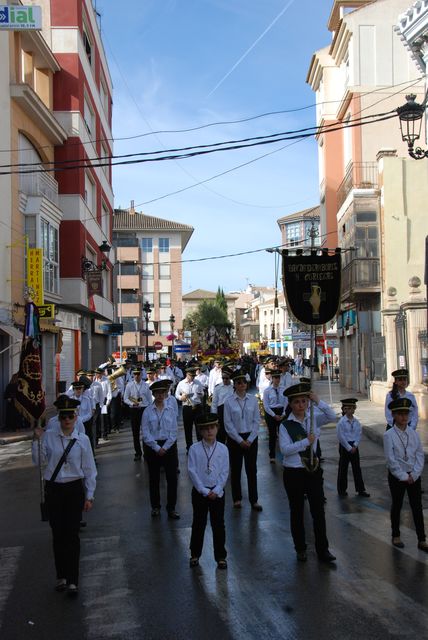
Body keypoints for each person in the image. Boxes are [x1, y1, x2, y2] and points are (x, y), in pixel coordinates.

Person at [32, 395, 96, 595]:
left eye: (70, 416)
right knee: (58, 534)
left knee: (72, 534)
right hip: (54, 490)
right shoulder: (49, 436)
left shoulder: (82, 439)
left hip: (74, 489)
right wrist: (37, 439)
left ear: (76, 417)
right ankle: (61, 576)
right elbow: (38, 461)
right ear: (58, 418)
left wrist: (90, 495)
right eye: (63, 417)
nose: (67, 420)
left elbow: (89, 469)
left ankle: (72, 580)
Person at [279, 382, 336, 563]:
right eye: (296, 402)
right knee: (297, 511)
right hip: (294, 472)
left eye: (304, 401)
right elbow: (285, 450)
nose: (301, 405)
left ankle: (323, 549)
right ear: (291, 404)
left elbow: (332, 416)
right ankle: (300, 548)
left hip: (313, 470)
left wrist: (317, 401)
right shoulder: (286, 425)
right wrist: (306, 442)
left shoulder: (314, 418)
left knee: (318, 511)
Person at [383, 397, 428, 551]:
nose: (404, 417)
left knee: (417, 506)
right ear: (394, 415)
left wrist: (414, 474)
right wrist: (403, 476)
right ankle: (396, 535)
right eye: (400, 414)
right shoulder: (388, 435)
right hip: (397, 476)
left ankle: (422, 539)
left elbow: (419, 455)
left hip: (413, 475)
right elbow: (391, 459)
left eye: (406, 414)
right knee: (397, 504)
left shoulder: (413, 434)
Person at [188, 413, 229, 569]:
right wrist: (203, 490)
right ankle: (195, 554)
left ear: (217, 428)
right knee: (199, 523)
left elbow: (225, 471)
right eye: (205, 429)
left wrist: (218, 489)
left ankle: (220, 556)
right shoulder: (194, 448)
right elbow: (192, 471)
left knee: (218, 524)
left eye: (212, 427)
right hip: (200, 492)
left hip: (217, 492)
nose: (209, 432)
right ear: (200, 431)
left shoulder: (223, 449)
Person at [223, 371, 262, 511]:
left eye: (244, 382)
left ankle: (254, 500)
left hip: (251, 438)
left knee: (252, 470)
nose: (242, 385)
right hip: (235, 439)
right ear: (235, 384)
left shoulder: (253, 400)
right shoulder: (228, 401)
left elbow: (257, 421)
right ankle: (237, 498)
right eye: (239, 382)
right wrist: (240, 440)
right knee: (236, 469)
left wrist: (250, 439)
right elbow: (228, 424)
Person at [141, 380, 180, 519]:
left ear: (165, 394)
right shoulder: (147, 411)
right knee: (154, 479)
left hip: (169, 446)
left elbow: (174, 431)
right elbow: (145, 433)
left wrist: (165, 447)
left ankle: (171, 508)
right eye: (157, 393)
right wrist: (157, 447)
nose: (160, 395)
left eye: (162, 392)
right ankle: (155, 507)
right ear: (153, 394)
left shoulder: (170, 409)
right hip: (153, 447)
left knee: (172, 479)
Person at [336, 398, 370, 498]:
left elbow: (359, 433)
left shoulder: (356, 422)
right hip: (345, 447)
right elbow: (340, 436)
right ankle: (342, 489)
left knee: (357, 468)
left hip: (354, 446)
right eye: (347, 408)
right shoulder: (341, 422)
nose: (350, 410)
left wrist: (355, 445)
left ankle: (360, 489)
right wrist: (348, 447)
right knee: (343, 468)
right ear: (343, 409)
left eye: (352, 408)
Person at [123, 367, 152, 461]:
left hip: (144, 409)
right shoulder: (129, 385)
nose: (136, 376)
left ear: (141, 374)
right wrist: (132, 403)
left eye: (138, 374)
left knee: (146, 432)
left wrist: (150, 409)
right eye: (135, 374)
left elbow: (149, 399)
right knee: (135, 433)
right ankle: (138, 453)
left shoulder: (146, 385)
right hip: (134, 410)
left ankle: (147, 452)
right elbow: (125, 398)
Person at [175, 367, 204, 452]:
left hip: (197, 406)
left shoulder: (198, 382)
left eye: (194, 376)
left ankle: (200, 446)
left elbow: (202, 393)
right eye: (191, 376)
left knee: (199, 428)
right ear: (187, 375)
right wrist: (181, 397)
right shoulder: (181, 383)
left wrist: (200, 394)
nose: (193, 377)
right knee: (187, 428)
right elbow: (176, 394)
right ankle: (189, 447)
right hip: (187, 407)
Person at [262, 369, 287, 463]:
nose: (277, 379)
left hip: (281, 412)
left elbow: (286, 402)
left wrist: (283, 414)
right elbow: (266, 405)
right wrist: (274, 415)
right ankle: (272, 455)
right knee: (272, 435)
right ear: (272, 378)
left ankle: (285, 454)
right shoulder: (267, 391)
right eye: (275, 377)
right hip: (271, 413)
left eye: (278, 377)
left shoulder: (283, 389)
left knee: (283, 435)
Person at [210, 367, 234, 444]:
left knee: (231, 433)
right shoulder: (218, 388)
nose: (224, 380)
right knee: (221, 434)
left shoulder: (234, 387)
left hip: (232, 412)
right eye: (223, 378)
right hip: (221, 412)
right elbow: (214, 403)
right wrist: (214, 417)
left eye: (226, 378)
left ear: (230, 378)